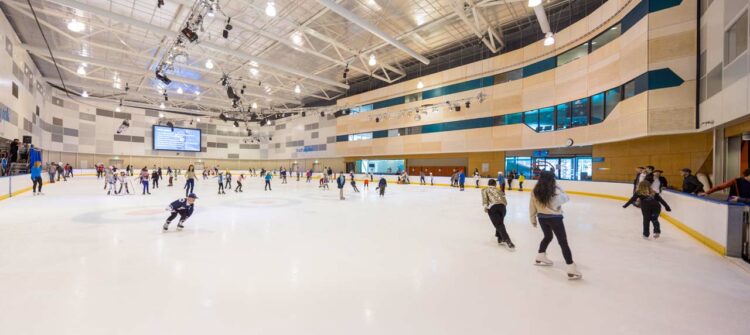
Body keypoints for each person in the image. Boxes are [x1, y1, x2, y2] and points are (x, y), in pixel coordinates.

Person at [529, 171, 581, 280]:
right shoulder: (555, 190)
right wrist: (559, 187)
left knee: (548, 237)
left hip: (542, 218)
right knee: (563, 242)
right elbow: (566, 198)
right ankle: (571, 268)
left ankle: (540, 255)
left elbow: (532, 205)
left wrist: (533, 218)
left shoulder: (535, 190)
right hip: (555, 218)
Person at [482, 179, 514, 248]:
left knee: (499, 224)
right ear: (495, 184)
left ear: (488, 184)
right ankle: (500, 238)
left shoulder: (485, 189)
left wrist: (486, 208)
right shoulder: (499, 190)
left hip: (493, 207)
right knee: (500, 222)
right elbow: (504, 199)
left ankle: (507, 239)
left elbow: (485, 199)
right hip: (503, 207)